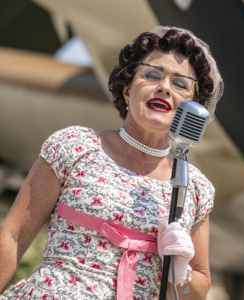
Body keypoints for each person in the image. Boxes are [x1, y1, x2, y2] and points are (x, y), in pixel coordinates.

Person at [0, 26, 223, 300]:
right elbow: (13, 237)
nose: (165, 87)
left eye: (180, 84)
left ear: (193, 106)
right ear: (127, 90)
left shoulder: (195, 189)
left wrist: (181, 272)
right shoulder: (74, 146)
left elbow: (197, 292)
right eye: (152, 75)